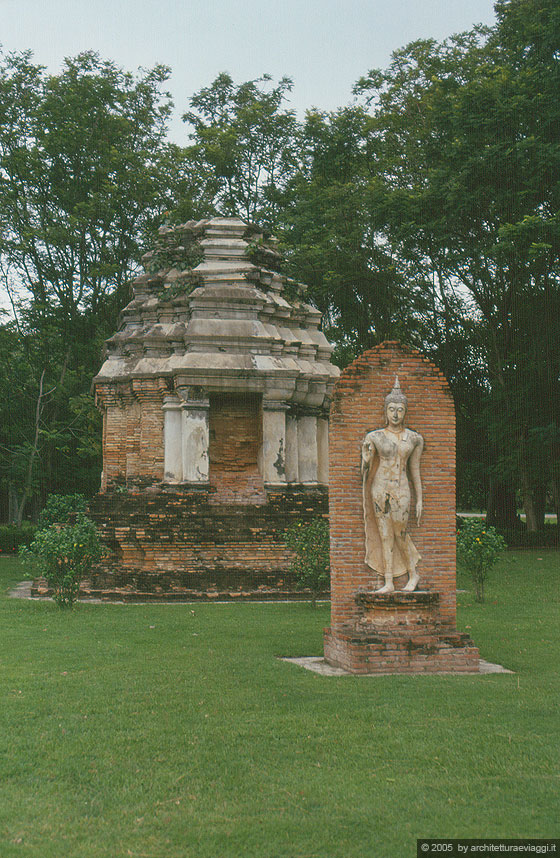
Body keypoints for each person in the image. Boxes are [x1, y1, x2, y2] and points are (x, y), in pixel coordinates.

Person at [361, 377, 423, 593]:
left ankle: (413, 574)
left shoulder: (414, 439)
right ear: (385, 411)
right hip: (379, 488)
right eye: (391, 409)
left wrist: (420, 499)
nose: (395, 414)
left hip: (402, 488)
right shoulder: (375, 436)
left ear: (405, 411)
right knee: (385, 534)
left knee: (400, 532)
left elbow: (414, 470)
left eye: (400, 409)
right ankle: (388, 581)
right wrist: (367, 459)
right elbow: (365, 469)